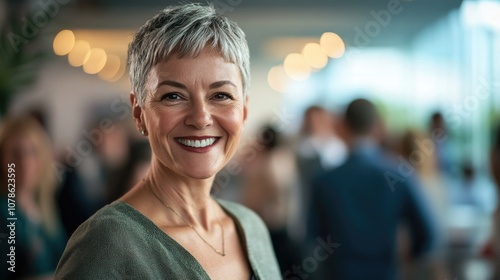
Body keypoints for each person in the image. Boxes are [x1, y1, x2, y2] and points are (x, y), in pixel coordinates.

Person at [55, 4, 280, 279]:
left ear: (243, 112)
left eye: (221, 95)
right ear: (139, 114)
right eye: (173, 96)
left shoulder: (252, 228)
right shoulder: (106, 244)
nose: (200, 118)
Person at [306, 99, 436, 280]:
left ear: (343, 126)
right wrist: (406, 257)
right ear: (377, 126)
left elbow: (311, 236)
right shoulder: (401, 175)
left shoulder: (324, 181)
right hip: (385, 273)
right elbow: (428, 234)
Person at [0, 115, 67, 280]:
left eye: (32, 152)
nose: (24, 162)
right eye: (15, 153)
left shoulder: (45, 206)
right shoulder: (3, 211)